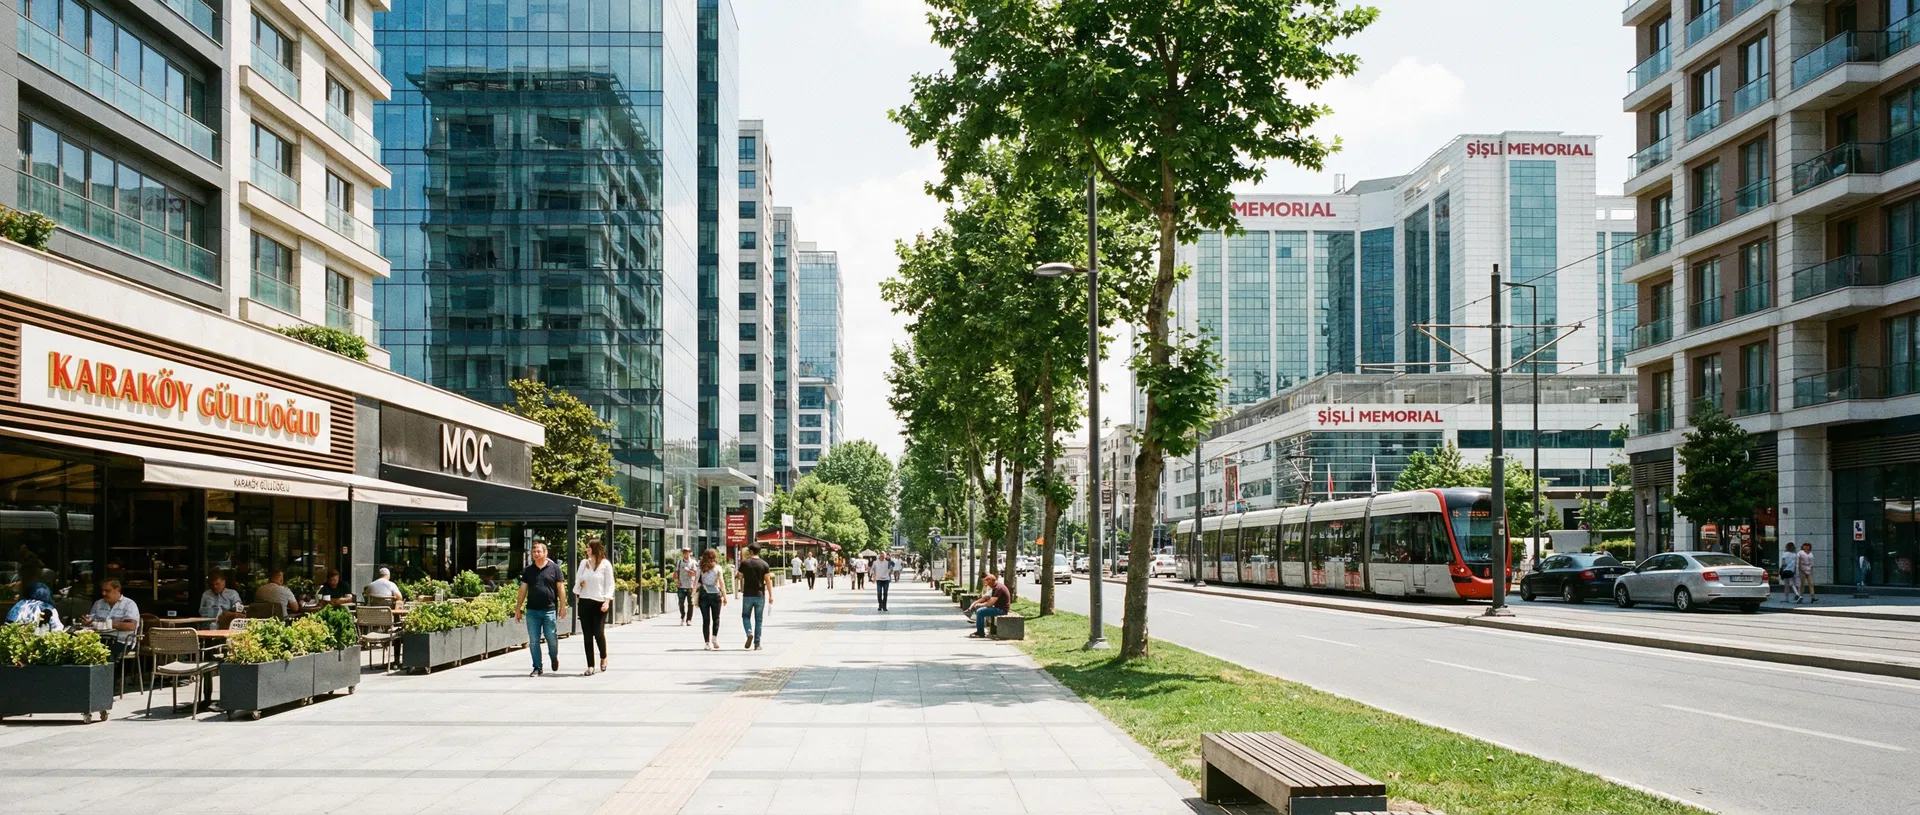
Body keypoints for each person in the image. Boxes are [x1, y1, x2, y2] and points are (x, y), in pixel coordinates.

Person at [513, 542, 569, 676]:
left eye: (538, 551)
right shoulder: (528, 570)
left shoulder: (555, 569)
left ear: (545, 553)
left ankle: (553, 656)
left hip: (549, 609)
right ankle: (537, 667)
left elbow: (561, 588)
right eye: (534, 552)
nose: (536, 554)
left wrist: (562, 606)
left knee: (552, 638)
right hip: (532, 611)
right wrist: (518, 608)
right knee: (533, 640)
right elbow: (523, 590)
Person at [574, 539, 615, 676]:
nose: (587, 550)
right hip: (585, 601)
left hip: (599, 602)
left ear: (595, 549)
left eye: (589, 548)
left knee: (598, 632)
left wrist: (607, 601)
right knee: (587, 635)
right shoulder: (583, 563)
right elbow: (577, 580)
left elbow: (610, 584)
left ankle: (603, 656)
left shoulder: (605, 565)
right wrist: (581, 581)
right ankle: (590, 665)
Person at [85, 579, 140, 659]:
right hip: (99, 640)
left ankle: (107, 671)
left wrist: (108, 624)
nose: (103, 594)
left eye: (107, 591)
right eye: (103, 591)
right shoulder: (98, 603)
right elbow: (91, 621)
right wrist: (88, 622)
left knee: (105, 653)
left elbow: (131, 626)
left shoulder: (129, 604)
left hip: (121, 641)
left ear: (117, 590)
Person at [737, 545, 772, 650]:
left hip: (747, 594)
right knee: (759, 619)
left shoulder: (745, 563)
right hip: (760, 595)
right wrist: (771, 595)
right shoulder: (764, 564)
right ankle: (757, 644)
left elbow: (740, 577)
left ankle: (749, 632)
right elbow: (768, 580)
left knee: (745, 616)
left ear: (751, 551)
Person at [696, 549, 727, 650]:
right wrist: (725, 596)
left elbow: (695, 582)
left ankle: (707, 643)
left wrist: (693, 595)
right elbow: (721, 583)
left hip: (704, 595)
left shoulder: (700, 568)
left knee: (706, 620)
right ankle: (714, 638)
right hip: (715, 595)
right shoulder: (718, 568)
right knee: (716, 618)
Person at [964, 574, 1011, 639]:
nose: (988, 585)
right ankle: (979, 630)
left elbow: (990, 603)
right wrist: (977, 603)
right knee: (980, 610)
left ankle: (980, 633)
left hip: (1002, 610)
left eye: (988, 584)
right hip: (999, 608)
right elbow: (988, 599)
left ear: (991, 581)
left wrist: (981, 605)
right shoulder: (997, 587)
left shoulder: (998, 588)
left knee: (980, 612)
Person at [676, 548, 698, 626]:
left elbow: (695, 574)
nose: (686, 554)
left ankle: (689, 619)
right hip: (681, 585)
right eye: (684, 552)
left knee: (690, 603)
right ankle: (682, 616)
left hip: (690, 586)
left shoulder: (693, 562)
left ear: (690, 553)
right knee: (681, 603)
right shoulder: (679, 562)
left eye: (687, 552)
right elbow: (676, 573)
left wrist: (688, 570)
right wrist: (676, 581)